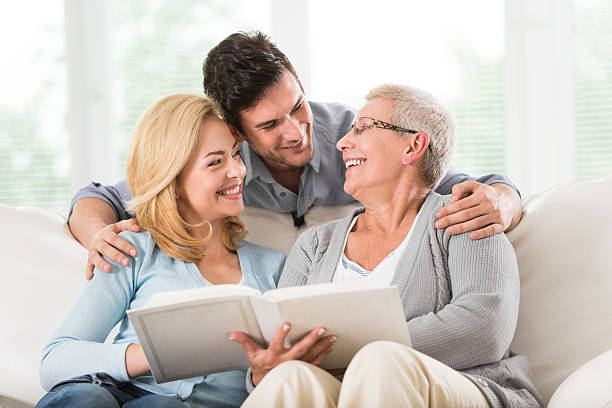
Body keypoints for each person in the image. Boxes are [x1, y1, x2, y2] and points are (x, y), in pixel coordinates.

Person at [67, 31, 523, 278]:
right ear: (235, 130)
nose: (296, 132)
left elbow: (450, 177)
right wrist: (96, 237)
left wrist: (502, 200)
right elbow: (98, 197)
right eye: (269, 125)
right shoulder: (219, 168)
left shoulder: (355, 135)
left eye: (297, 106)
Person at [229, 84, 544, 407]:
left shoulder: (465, 217)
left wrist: (347, 350)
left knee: (381, 361)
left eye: (362, 128)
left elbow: (484, 331)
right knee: (288, 380)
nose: (341, 142)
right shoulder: (314, 245)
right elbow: (284, 344)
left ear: (413, 146)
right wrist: (265, 370)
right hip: (346, 397)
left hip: (468, 389)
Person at [36, 95, 291, 408]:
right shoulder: (134, 251)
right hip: (110, 391)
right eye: (216, 161)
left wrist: (261, 376)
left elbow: (276, 381)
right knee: (86, 399)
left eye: (236, 155)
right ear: (173, 181)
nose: (238, 171)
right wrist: (154, 355)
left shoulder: (273, 268)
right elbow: (55, 359)